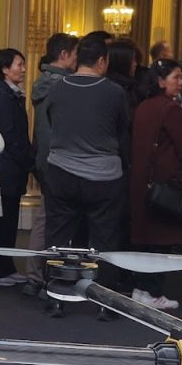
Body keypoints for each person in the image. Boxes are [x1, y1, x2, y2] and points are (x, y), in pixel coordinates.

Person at [43, 33, 130, 318]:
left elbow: (52, 122)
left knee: (58, 236)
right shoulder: (114, 92)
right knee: (104, 240)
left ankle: (55, 296)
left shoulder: (57, 88)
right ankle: (105, 303)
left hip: (61, 171)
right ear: (102, 61)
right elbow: (122, 132)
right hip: (103, 176)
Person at [129, 59, 182, 309]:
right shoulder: (171, 109)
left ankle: (140, 288)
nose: (180, 83)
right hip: (165, 183)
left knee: (145, 239)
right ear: (160, 81)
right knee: (161, 240)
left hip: (141, 181)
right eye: (176, 77)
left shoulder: (143, 106)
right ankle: (154, 292)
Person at [22, 33, 78, 298]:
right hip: (57, 160)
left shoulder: (42, 82)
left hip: (44, 158)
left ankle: (34, 274)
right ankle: (43, 277)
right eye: (75, 54)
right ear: (65, 55)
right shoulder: (65, 86)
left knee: (44, 221)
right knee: (53, 222)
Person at [0, 48, 31, 285]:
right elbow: (8, 135)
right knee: (1, 219)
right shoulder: (2, 96)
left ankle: (5, 265)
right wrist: (25, 157)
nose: (22, 69)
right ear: (4, 69)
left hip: (13, 165)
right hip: (7, 164)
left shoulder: (12, 94)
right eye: (18, 65)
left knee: (9, 218)